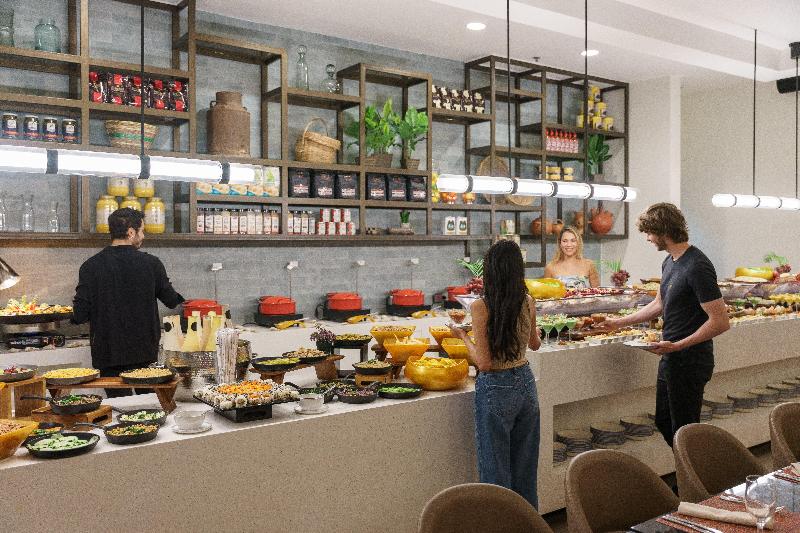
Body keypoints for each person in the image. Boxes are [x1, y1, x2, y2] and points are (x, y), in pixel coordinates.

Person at [596, 203, 730, 446]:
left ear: (664, 231)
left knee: (685, 432)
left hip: (691, 360)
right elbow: (659, 303)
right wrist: (617, 322)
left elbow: (720, 321)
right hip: (671, 357)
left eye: (649, 232)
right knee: (665, 422)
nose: (647, 238)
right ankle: (687, 467)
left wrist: (679, 345)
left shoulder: (697, 265)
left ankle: (693, 471)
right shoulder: (670, 261)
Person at [449, 240, 541, 509]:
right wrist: (529, 331)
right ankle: (528, 524)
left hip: (496, 387)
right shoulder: (528, 301)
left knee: (495, 472)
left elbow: (484, 363)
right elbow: (535, 344)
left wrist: (462, 336)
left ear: (491, 270)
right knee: (526, 470)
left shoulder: (481, 306)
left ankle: (499, 523)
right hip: (526, 381)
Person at [72, 208, 185, 397]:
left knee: (118, 405)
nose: (143, 236)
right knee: (148, 404)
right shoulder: (151, 264)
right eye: (142, 231)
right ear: (131, 232)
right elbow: (171, 300)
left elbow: (80, 314)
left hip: (108, 353)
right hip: (144, 352)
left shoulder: (90, 266)